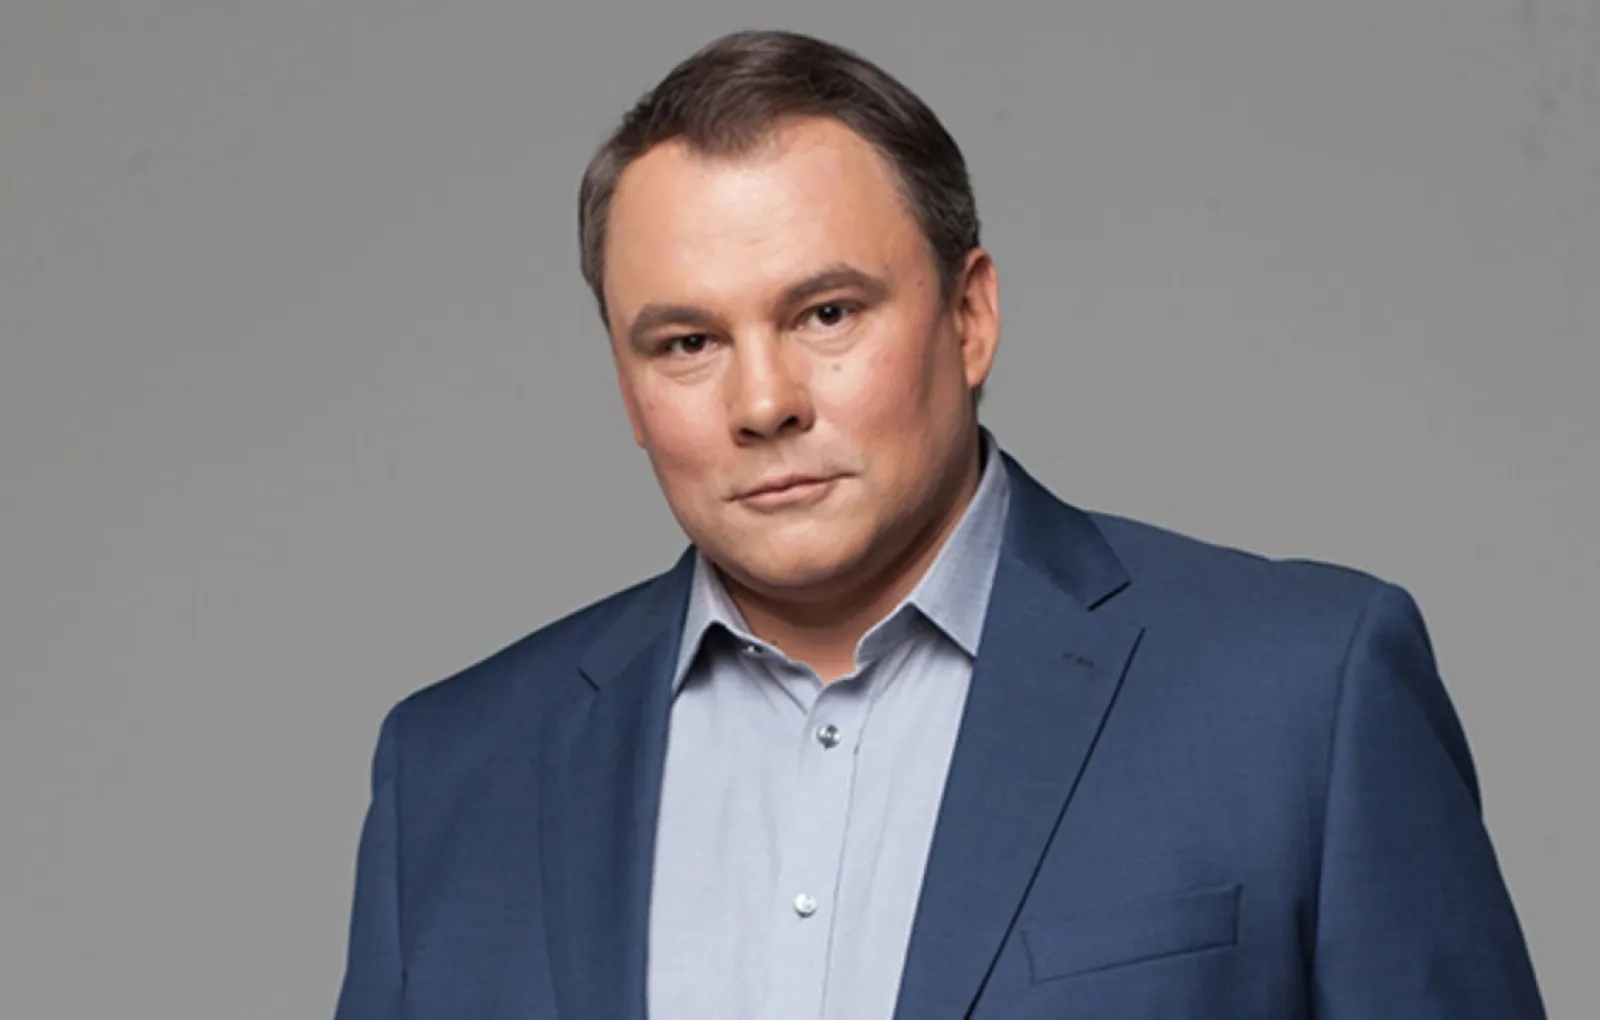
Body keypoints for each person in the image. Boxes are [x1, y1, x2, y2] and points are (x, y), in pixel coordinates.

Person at [332, 28, 1545, 1020]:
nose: (763, 403)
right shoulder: (451, 775)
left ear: (970, 319)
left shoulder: (1300, 696)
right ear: (625, 385)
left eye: (825, 314)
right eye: (688, 342)